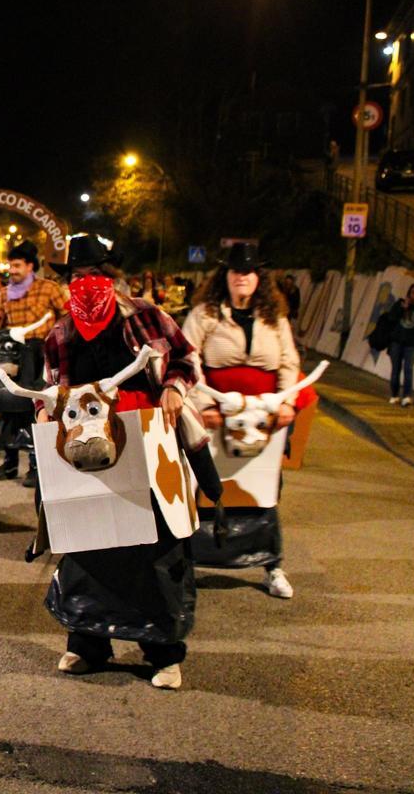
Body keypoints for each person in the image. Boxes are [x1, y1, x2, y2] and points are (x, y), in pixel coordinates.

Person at [38, 233, 201, 689]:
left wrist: (172, 388)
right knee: (88, 543)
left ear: (108, 275)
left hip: (145, 439)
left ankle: (163, 652)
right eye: (75, 276)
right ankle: (86, 644)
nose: (84, 282)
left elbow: (185, 359)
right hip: (87, 447)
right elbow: (54, 385)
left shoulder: (147, 316)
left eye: (92, 274)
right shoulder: (60, 332)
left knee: (154, 546)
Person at [182, 243, 301, 598]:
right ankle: (189, 562)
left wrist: (287, 403)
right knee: (207, 485)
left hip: (265, 417)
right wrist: (204, 405)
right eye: (236, 273)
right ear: (226, 276)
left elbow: (290, 363)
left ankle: (272, 565)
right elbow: (189, 359)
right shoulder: (204, 314)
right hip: (215, 415)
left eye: (248, 273)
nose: (242, 278)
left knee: (264, 490)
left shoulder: (274, 317)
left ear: (258, 278)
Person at [0, 241, 68, 486]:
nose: (11, 270)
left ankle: (36, 466)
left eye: (16, 265)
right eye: (10, 265)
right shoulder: (4, 293)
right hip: (13, 356)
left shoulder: (48, 288)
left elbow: (67, 316)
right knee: (8, 408)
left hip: (40, 354)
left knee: (37, 408)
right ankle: (10, 462)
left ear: (30, 266)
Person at [385, 282, 414, 407]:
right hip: (397, 341)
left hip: (412, 344)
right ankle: (394, 395)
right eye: (413, 292)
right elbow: (391, 318)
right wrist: (404, 308)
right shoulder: (401, 304)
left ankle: (407, 396)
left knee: (408, 369)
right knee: (395, 368)